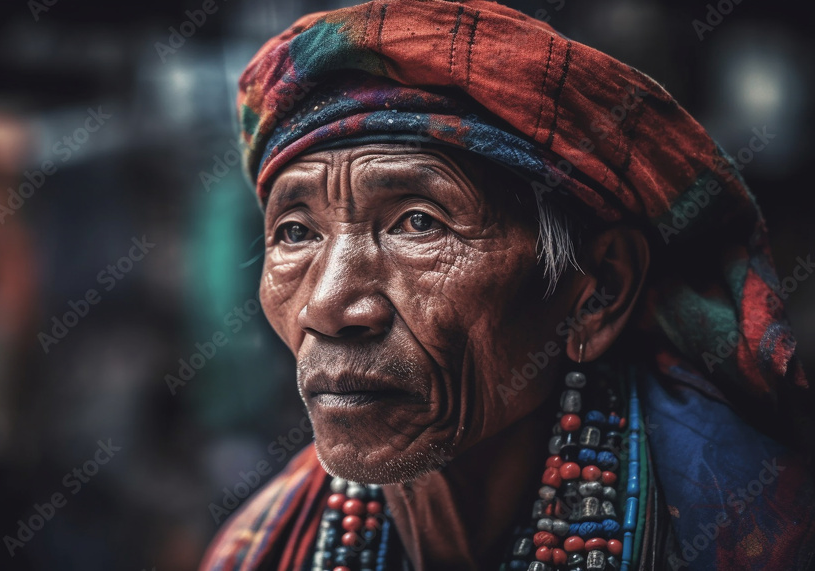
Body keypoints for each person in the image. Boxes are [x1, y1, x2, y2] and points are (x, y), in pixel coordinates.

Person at [200, 1, 815, 569]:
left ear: (598, 291)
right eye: (296, 232)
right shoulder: (257, 549)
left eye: (420, 223)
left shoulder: (760, 529)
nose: (328, 304)